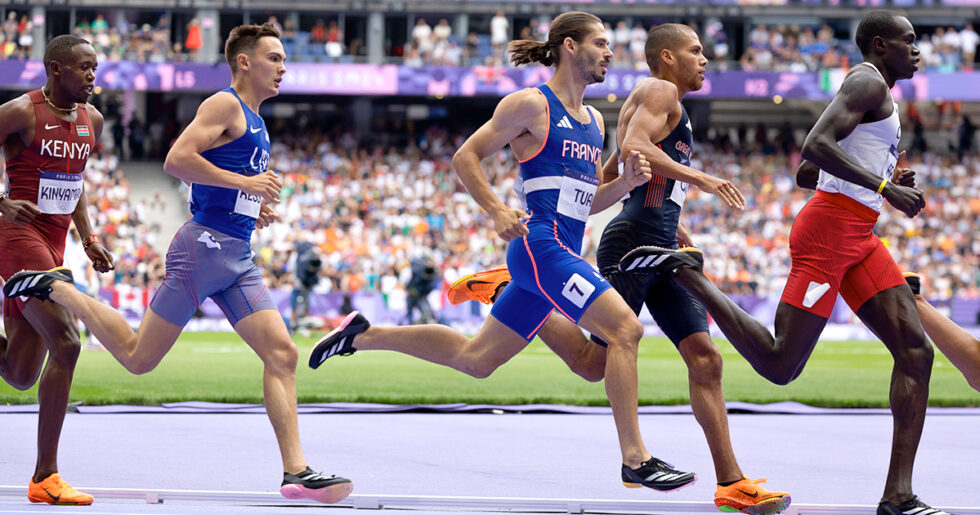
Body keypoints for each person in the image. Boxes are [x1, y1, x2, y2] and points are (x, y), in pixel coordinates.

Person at [307, 11, 700, 493]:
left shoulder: (595, 120)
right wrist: (495, 209)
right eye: (600, 43)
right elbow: (465, 155)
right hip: (542, 247)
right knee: (625, 330)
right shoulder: (531, 105)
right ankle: (636, 459)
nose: (610, 52)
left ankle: (364, 334)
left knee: (477, 360)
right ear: (569, 47)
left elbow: (584, 201)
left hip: (558, 249)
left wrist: (624, 184)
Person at [448, 24, 791, 514]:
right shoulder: (659, 89)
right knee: (597, 360)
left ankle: (731, 482)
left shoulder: (617, 111)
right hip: (632, 245)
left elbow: (607, 177)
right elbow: (633, 146)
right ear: (668, 57)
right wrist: (703, 179)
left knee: (704, 360)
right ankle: (521, 291)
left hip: (656, 242)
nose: (705, 60)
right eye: (696, 51)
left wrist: (670, 224)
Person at [3, 24, 352, 504]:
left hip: (237, 254)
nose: (284, 68)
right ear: (244, 62)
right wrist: (245, 186)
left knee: (282, 354)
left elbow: (221, 181)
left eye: (284, 60)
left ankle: (296, 471)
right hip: (203, 249)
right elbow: (176, 160)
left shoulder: (256, 119)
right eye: (274, 58)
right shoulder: (224, 104)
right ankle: (62, 290)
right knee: (137, 358)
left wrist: (252, 205)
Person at [617, 11, 950, 515]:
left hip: (857, 233)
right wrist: (885, 188)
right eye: (909, 41)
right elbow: (811, 146)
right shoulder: (866, 80)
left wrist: (883, 178)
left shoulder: (878, 93)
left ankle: (898, 497)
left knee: (915, 352)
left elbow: (807, 172)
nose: (917, 48)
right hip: (829, 233)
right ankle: (686, 272)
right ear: (881, 45)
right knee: (779, 366)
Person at [0, 34, 111, 506]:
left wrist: (89, 238)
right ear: (54, 68)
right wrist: (1, 203)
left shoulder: (94, 121)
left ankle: (46, 475)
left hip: (55, 243)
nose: (92, 76)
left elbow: (75, 179)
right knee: (66, 341)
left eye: (95, 68)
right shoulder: (22, 112)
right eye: (83, 67)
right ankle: (46, 476)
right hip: (15, 239)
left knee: (21, 373)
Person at [798, 162, 980, 393]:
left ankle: (915, 301)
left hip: (842, 212)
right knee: (783, 364)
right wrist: (883, 182)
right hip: (832, 219)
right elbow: (806, 171)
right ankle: (915, 301)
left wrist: (883, 180)